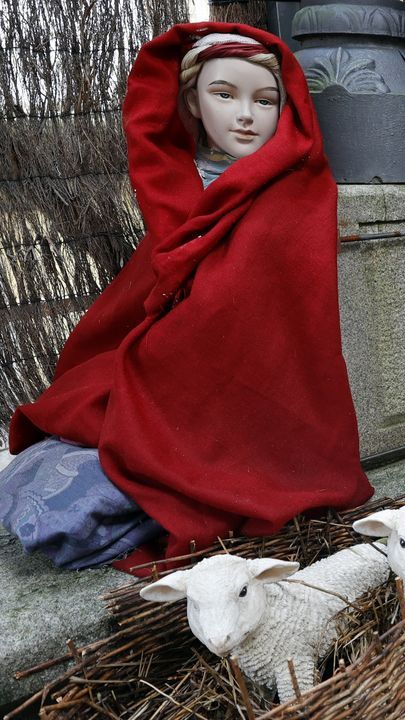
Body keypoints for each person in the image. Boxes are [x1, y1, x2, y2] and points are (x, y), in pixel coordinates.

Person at [0, 24, 372, 573]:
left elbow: (275, 302)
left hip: (248, 381)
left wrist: (193, 332)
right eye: (225, 94)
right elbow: (147, 289)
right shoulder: (177, 190)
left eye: (265, 100)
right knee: (58, 452)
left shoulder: (295, 193)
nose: (245, 114)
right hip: (166, 363)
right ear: (193, 101)